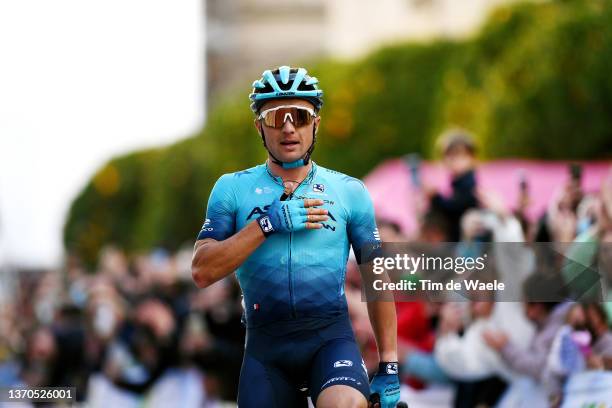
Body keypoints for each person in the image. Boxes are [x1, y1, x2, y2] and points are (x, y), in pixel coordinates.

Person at [191, 66, 399, 408]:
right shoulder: (232, 188)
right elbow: (202, 271)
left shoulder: (349, 191)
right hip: (266, 349)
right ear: (260, 126)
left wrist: (389, 365)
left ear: (315, 123)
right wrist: (265, 224)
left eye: (300, 116)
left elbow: (377, 278)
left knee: (344, 404)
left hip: (330, 340)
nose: (288, 126)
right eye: (276, 117)